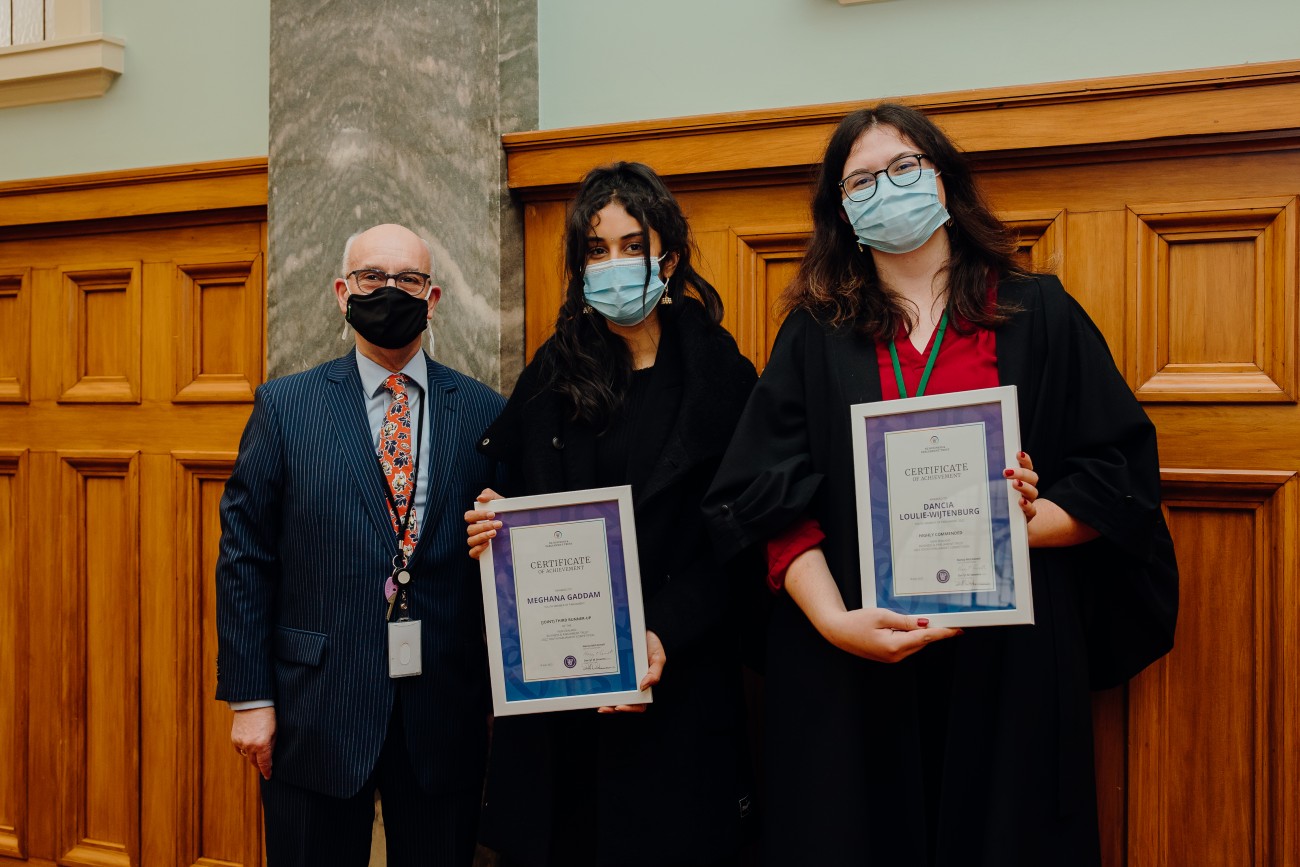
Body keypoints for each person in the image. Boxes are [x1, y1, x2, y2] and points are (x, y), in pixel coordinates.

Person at [702, 103, 1177, 866]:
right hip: (856, 660)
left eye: (904, 168)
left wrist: (1028, 516)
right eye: (861, 180)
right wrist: (832, 622)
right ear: (843, 213)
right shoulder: (814, 336)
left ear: (945, 184)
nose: (886, 189)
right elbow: (760, 497)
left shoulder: (1038, 313)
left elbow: (1120, 474)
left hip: (1009, 668)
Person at [465, 162, 758, 867]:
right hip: (563, 701)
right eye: (596, 250)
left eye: (633, 245)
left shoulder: (726, 378)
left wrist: (660, 634)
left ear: (671, 258)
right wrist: (495, 520)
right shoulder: (550, 373)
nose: (615, 264)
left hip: (679, 688)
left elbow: (741, 537)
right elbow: (514, 495)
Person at [215, 223, 505, 867]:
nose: (390, 291)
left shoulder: (486, 412)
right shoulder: (286, 407)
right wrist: (250, 700)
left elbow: (501, 556)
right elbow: (244, 558)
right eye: (374, 277)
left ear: (432, 301)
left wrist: (503, 526)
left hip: (443, 710)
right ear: (343, 292)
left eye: (409, 280)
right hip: (314, 706)